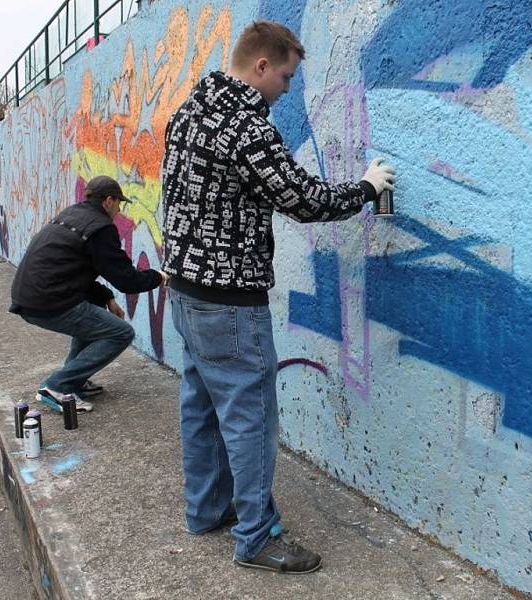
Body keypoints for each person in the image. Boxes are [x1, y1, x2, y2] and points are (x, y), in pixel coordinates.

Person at [161, 20, 396, 574]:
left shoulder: (190, 111)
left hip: (187, 291)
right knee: (251, 416)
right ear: (261, 65)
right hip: (230, 300)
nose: (288, 89)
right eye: (286, 76)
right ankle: (257, 537)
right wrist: (366, 187)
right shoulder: (247, 127)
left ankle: (207, 511)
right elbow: (303, 198)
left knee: (201, 404)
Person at [9, 175, 169, 413]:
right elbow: (126, 279)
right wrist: (159, 276)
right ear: (108, 201)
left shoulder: (71, 215)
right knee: (121, 333)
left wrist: (106, 296)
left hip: (31, 296)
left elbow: (72, 269)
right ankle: (58, 385)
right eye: (119, 204)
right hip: (48, 301)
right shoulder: (101, 228)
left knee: (94, 308)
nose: (119, 210)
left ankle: (75, 380)